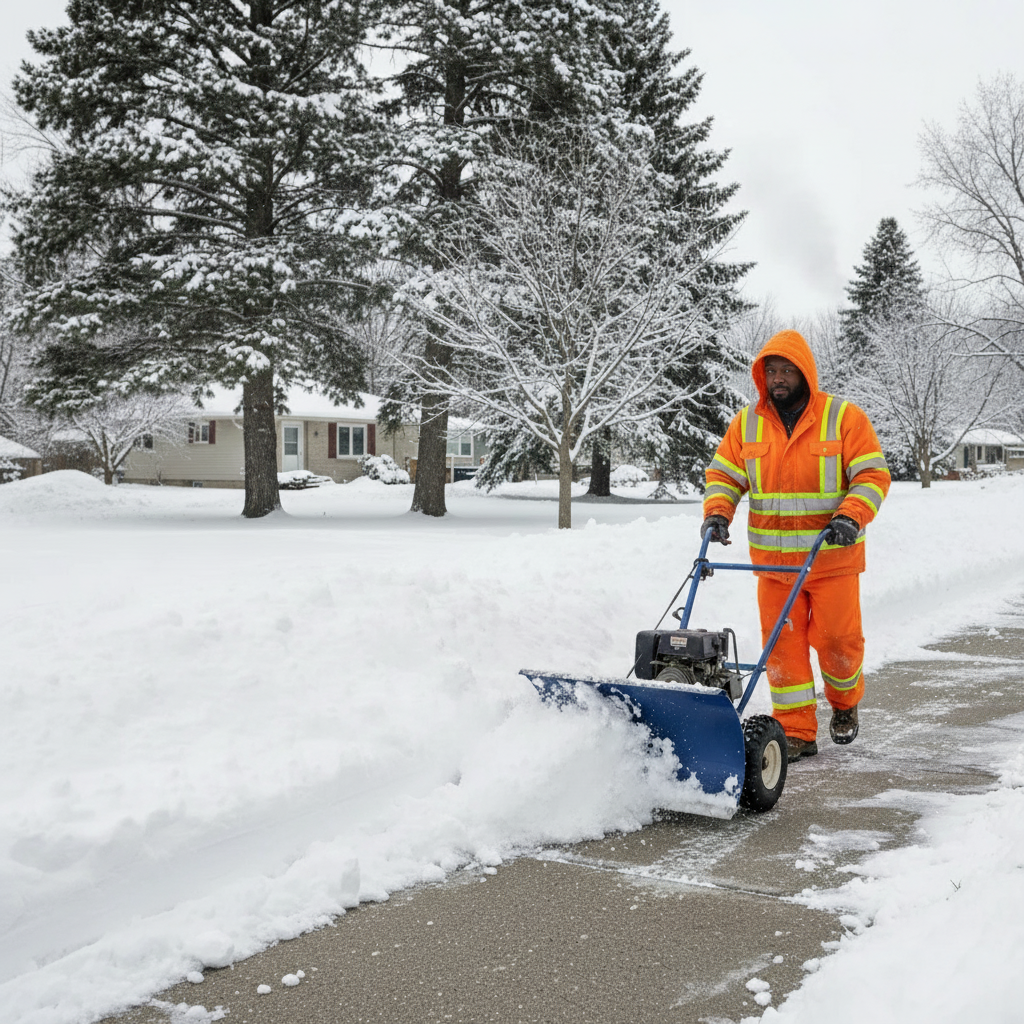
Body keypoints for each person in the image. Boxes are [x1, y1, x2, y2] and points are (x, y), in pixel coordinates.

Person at [701, 329, 890, 762]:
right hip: (773, 565)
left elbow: (872, 476)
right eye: (772, 371)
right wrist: (717, 512)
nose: (779, 378)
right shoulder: (746, 423)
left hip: (832, 560)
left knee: (837, 641)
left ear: (805, 373)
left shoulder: (843, 418)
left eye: (787, 370)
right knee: (782, 649)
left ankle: (844, 704)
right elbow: (725, 476)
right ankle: (797, 731)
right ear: (761, 375)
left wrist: (850, 515)